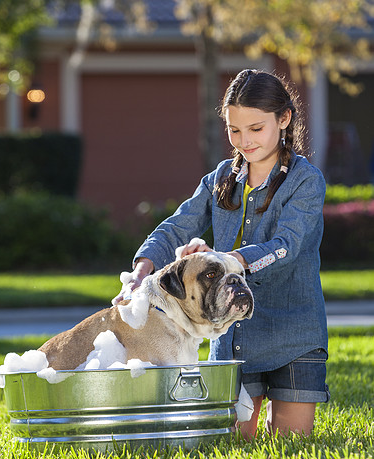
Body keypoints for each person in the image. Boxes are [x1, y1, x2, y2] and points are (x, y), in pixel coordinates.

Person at [113, 69, 329, 439]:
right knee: (231, 445)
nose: (244, 141)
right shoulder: (218, 180)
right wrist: (140, 270)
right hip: (232, 339)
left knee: (291, 447)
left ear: (284, 119)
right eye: (234, 130)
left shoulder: (306, 181)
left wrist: (226, 261)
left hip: (294, 336)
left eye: (256, 128)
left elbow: (286, 246)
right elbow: (177, 227)